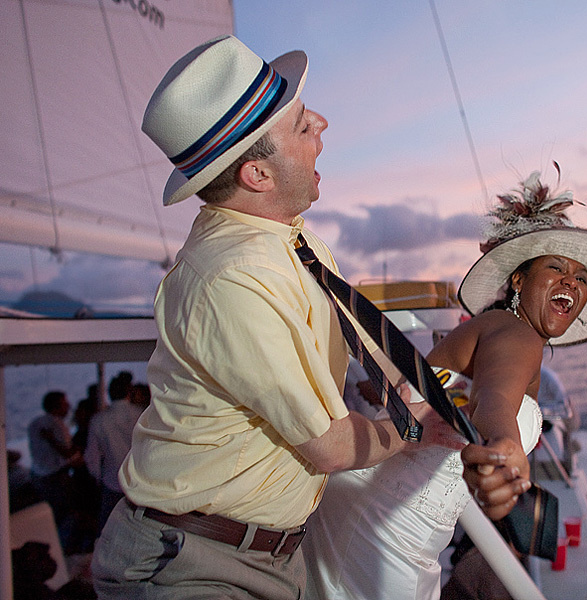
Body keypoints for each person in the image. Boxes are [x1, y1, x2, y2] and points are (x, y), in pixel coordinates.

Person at [90, 35, 461, 599]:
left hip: (267, 552)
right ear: (257, 176)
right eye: (301, 125)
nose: (323, 124)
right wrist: (414, 430)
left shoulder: (295, 241)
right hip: (190, 564)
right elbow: (332, 447)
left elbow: (350, 336)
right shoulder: (230, 278)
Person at [303, 170, 587, 599]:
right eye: (555, 267)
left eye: (581, 278)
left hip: (351, 511)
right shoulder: (516, 334)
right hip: (387, 545)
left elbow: (428, 394)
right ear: (518, 280)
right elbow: (494, 399)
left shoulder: (484, 330)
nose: (571, 282)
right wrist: (504, 443)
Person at [84, 373, 144, 532]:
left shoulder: (98, 420)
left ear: (109, 393)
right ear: (128, 393)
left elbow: (92, 457)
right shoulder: (142, 415)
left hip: (113, 481)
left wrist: (99, 477)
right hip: (141, 482)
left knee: (108, 529)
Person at [28, 391, 82, 552]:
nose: (69, 407)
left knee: (50, 516)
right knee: (64, 516)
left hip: (38, 476)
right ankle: (62, 550)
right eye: (65, 404)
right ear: (57, 406)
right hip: (55, 478)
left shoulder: (34, 423)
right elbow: (68, 453)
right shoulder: (57, 425)